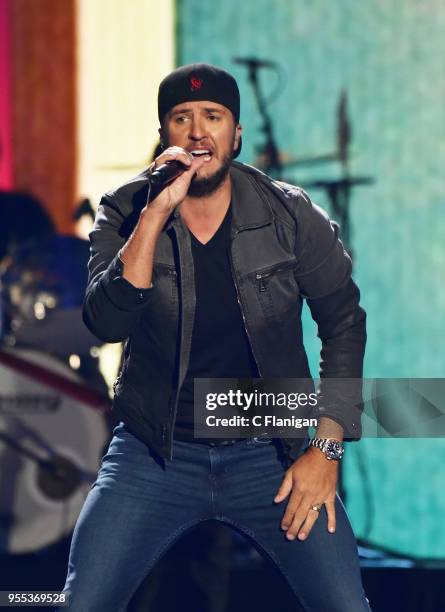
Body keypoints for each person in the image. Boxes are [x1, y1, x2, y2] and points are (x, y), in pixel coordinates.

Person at [60, 64, 371, 611]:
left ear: (236, 133)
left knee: (345, 606)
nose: (198, 132)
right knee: (81, 603)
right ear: (164, 134)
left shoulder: (289, 215)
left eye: (213, 117)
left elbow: (344, 320)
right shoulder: (126, 209)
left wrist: (325, 448)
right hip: (154, 452)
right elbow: (107, 324)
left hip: (271, 449)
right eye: (182, 118)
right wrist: (156, 211)